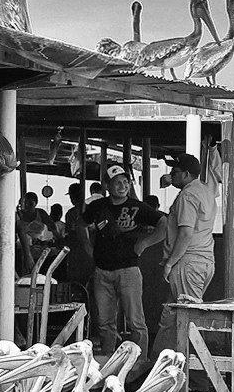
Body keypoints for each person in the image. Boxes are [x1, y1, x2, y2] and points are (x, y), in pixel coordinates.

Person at [82, 165, 166, 356]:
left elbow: (164, 224)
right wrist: (88, 247)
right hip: (102, 271)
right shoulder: (97, 207)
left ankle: (140, 362)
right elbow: (81, 224)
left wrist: (145, 243)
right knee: (104, 323)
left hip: (129, 270)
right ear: (107, 185)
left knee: (136, 321)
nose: (122, 186)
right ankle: (107, 362)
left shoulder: (138, 207)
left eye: (125, 182)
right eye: (117, 182)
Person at [151, 153, 217, 362]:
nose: (171, 175)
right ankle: (160, 366)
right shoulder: (206, 190)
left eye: (175, 172)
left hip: (187, 262)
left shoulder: (188, 196)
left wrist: (170, 263)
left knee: (186, 321)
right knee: (172, 317)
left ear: (186, 174)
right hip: (204, 261)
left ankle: (196, 375)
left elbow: (186, 233)